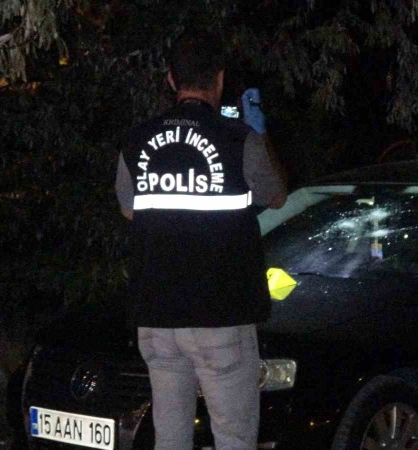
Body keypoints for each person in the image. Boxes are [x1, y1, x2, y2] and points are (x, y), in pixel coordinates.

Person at [114, 30, 287, 450]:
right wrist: (261, 134)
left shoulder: (136, 140)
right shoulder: (238, 138)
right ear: (220, 79)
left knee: (170, 439)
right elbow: (277, 195)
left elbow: (129, 208)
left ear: (171, 80)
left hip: (157, 318)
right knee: (233, 438)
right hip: (220, 317)